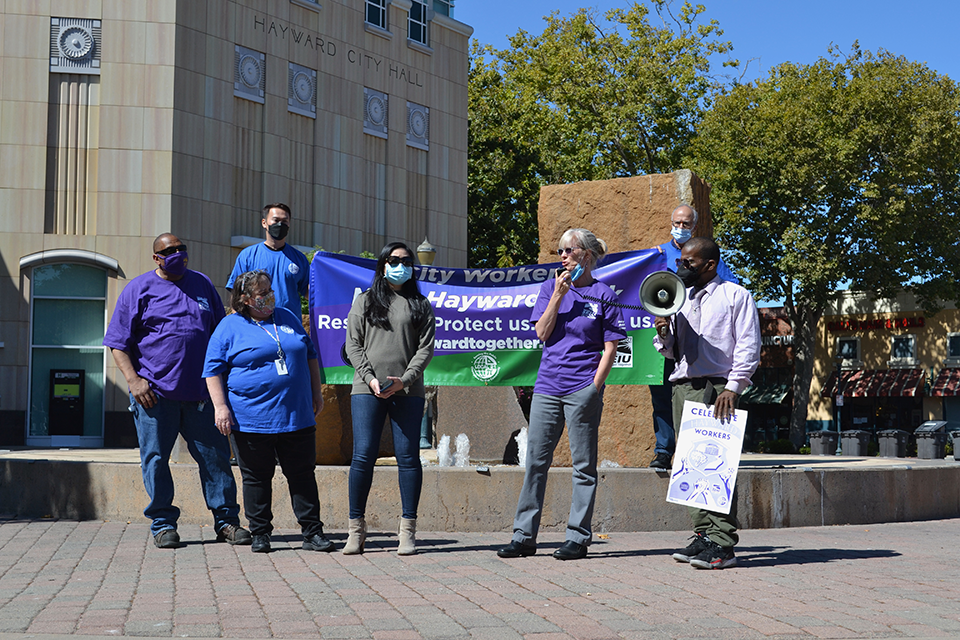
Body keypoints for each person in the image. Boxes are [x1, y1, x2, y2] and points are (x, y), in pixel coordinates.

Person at [103, 233, 250, 549]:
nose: (178, 254)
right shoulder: (138, 289)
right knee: (156, 460)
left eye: (182, 248)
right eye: (169, 250)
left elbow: (220, 335)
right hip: (155, 396)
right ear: (156, 258)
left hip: (201, 395)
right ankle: (163, 524)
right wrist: (134, 381)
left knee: (216, 461)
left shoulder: (202, 284)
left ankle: (226, 522)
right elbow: (117, 342)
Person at [498, 229, 626, 561]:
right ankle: (524, 536)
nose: (563, 257)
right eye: (560, 251)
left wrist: (593, 388)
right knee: (535, 462)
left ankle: (578, 537)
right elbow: (542, 332)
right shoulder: (549, 287)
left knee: (584, 466)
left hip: (582, 388)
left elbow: (612, 347)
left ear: (586, 255)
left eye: (569, 250)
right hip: (547, 387)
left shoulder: (604, 294)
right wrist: (557, 295)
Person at [203, 270, 334, 554]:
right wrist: (220, 407)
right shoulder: (230, 326)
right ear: (245, 299)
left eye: (270, 291)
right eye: (263, 294)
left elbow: (309, 354)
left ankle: (312, 532)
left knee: (302, 476)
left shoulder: (287, 317)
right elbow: (212, 370)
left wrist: (315, 391)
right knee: (256, 478)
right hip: (251, 418)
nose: (270, 297)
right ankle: (261, 532)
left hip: (296, 416)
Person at [652, 237, 760, 570]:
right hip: (685, 388)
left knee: (718, 466)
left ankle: (723, 543)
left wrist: (734, 387)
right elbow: (670, 351)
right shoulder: (678, 301)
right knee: (691, 465)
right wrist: (664, 333)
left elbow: (748, 346)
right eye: (680, 262)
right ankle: (703, 535)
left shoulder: (735, 296)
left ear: (710, 265)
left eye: (689, 263)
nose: (681, 267)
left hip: (719, 390)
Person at [343, 242, 435, 556]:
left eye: (406, 261)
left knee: (408, 458)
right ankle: (356, 530)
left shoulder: (420, 304)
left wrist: (404, 381)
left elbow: (425, 349)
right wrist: (369, 378)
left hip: (407, 391)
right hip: (366, 388)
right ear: (383, 264)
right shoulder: (365, 301)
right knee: (363, 455)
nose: (400, 265)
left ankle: (407, 530)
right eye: (394, 260)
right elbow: (352, 345)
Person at [649, 205, 739, 470]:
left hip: (697, 345)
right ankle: (664, 450)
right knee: (661, 397)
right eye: (676, 221)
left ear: (694, 226)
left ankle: (701, 455)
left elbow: (731, 288)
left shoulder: (707, 254)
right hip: (666, 339)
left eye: (686, 223)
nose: (680, 226)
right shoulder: (656, 255)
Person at [226, 203, 309, 322]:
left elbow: (310, 294)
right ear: (264, 223)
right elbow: (237, 293)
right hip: (256, 325)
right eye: (275, 220)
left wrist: (321, 268)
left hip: (289, 327)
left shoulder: (299, 259)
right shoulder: (247, 256)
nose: (280, 224)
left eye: (284, 221)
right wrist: (239, 323)